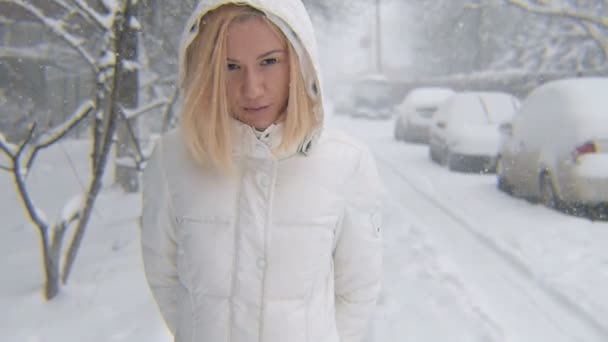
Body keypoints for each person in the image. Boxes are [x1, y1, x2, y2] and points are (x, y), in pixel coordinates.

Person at [140, 1, 384, 341]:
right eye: (231, 66)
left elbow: (357, 291)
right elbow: (165, 278)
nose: (252, 88)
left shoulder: (346, 163)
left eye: (269, 62)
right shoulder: (173, 160)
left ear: (298, 62)